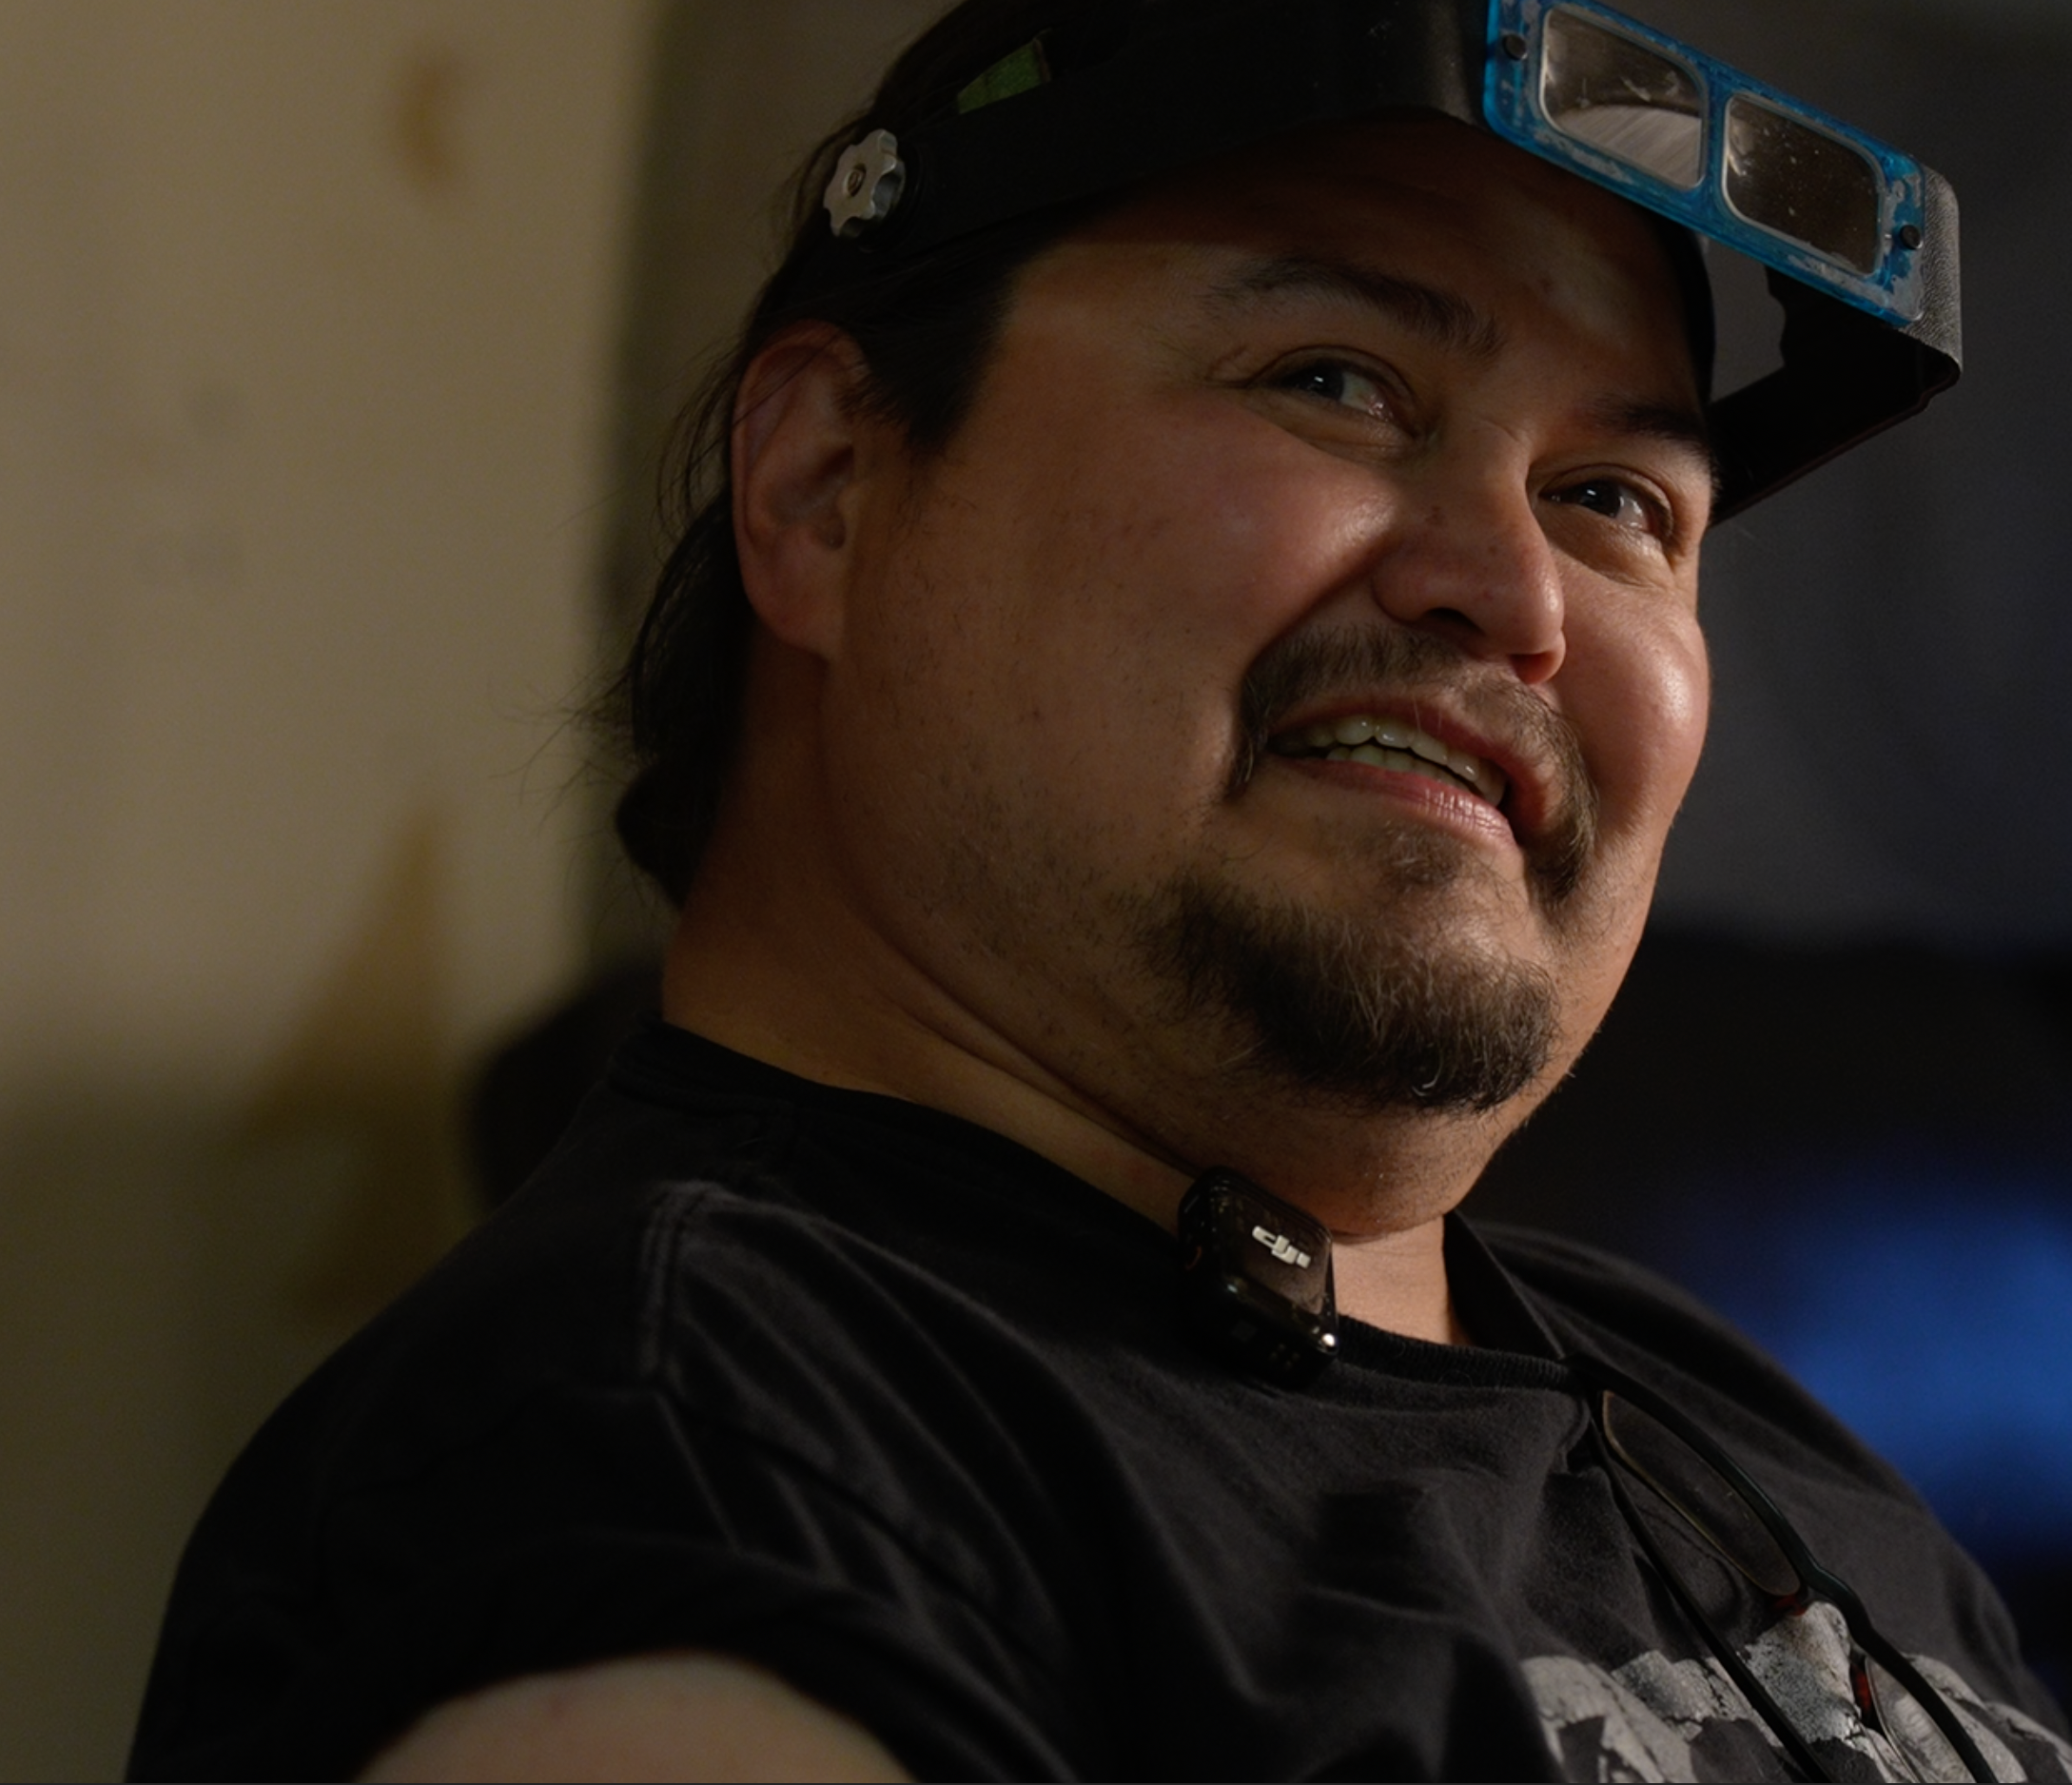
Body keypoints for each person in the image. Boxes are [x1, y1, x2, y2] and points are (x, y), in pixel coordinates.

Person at [128, 1, 2070, 1779]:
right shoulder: (676, 1460)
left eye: (1617, 502)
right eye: (1338, 378)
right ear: (823, 483)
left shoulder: (1745, 1433)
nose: (1520, 588)